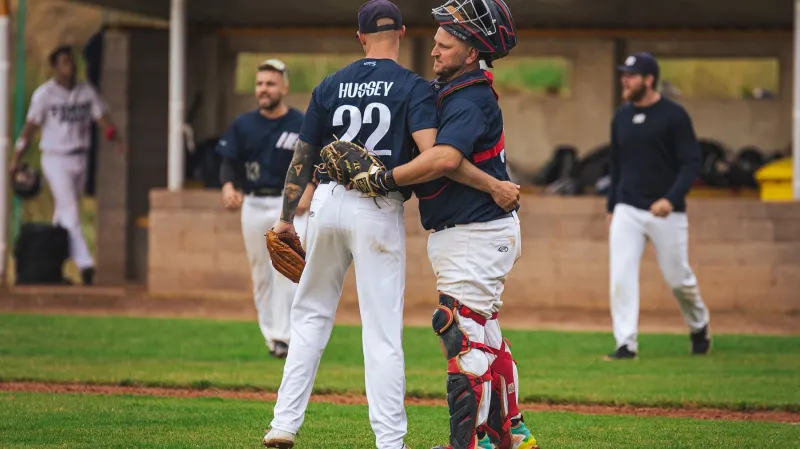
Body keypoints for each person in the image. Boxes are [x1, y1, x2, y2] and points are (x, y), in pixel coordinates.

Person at [262, 1, 519, 448]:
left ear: (360, 37)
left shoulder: (329, 84)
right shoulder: (414, 87)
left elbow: (302, 158)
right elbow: (435, 156)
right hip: (377, 206)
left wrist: (286, 220)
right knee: (381, 330)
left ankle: (283, 425)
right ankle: (389, 441)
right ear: (400, 33)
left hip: (325, 203)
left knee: (308, 315)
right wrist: (491, 183)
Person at [353, 1, 540, 448]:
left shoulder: (469, 96)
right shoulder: (462, 90)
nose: (434, 51)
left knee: (462, 332)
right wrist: (494, 185)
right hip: (477, 229)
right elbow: (448, 159)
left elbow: (444, 158)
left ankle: (471, 444)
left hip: (473, 232)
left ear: (472, 52)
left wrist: (383, 177)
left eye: (444, 44)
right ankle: (509, 432)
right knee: (484, 329)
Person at [605, 52, 711, 360]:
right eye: (624, 74)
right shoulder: (621, 117)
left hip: (666, 210)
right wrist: (613, 207)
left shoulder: (674, 116)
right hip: (627, 208)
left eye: (632, 75)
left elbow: (691, 163)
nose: (625, 79)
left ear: (649, 79)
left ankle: (699, 323)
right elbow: (617, 164)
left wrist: (671, 198)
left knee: (679, 280)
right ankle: (626, 344)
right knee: (621, 277)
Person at [215, 59, 313, 359]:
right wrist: (228, 187)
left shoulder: (300, 122)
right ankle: (272, 335)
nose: (264, 89)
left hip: (289, 204)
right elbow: (228, 162)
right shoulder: (243, 124)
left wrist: (310, 189)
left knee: (286, 268)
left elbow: (314, 161)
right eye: (259, 84)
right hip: (254, 202)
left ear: (284, 86)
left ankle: (285, 336)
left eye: (270, 83)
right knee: (261, 273)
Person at [10, 45, 127, 285]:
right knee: (71, 210)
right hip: (55, 157)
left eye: (71, 62)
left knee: (62, 215)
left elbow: (103, 118)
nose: (70, 66)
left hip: (79, 156)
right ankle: (86, 266)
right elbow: (30, 128)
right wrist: (16, 157)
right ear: (54, 67)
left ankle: (50, 264)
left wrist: (117, 140)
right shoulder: (45, 94)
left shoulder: (86, 91)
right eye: (64, 62)